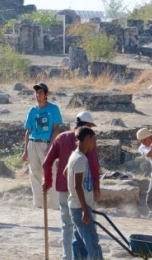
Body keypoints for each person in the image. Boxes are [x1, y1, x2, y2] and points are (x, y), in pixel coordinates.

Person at [42, 111, 101, 260]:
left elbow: (47, 163)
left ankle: (67, 257)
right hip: (82, 196)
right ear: (87, 129)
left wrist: (47, 181)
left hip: (64, 192)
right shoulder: (85, 148)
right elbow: (93, 166)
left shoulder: (62, 138)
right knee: (88, 234)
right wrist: (96, 188)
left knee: (68, 228)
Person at [65, 127, 103, 260]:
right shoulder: (80, 159)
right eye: (93, 140)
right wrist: (86, 210)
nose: (94, 144)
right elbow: (77, 186)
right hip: (81, 207)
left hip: (76, 206)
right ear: (87, 138)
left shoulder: (74, 156)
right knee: (92, 243)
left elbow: (66, 172)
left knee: (79, 243)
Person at [23, 82, 62, 210]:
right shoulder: (32, 110)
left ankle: (55, 203)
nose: (38, 95)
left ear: (46, 95)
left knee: (50, 172)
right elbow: (28, 131)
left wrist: (51, 147)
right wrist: (25, 150)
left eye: (40, 92)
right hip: (33, 142)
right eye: (36, 92)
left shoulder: (53, 108)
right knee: (34, 173)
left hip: (46, 144)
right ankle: (39, 203)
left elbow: (56, 129)